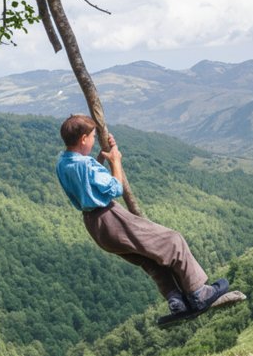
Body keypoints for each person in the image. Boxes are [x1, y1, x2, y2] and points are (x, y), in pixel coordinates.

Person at [55, 114, 229, 316]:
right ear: (83, 139)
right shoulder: (86, 165)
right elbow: (115, 188)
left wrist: (102, 157)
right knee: (173, 241)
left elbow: (87, 182)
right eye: (93, 136)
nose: (94, 140)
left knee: (148, 259)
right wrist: (116, 161)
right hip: (111, 217)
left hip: (95, 226)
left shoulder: (62, 162)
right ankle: (199, 293)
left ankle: (176, 301)